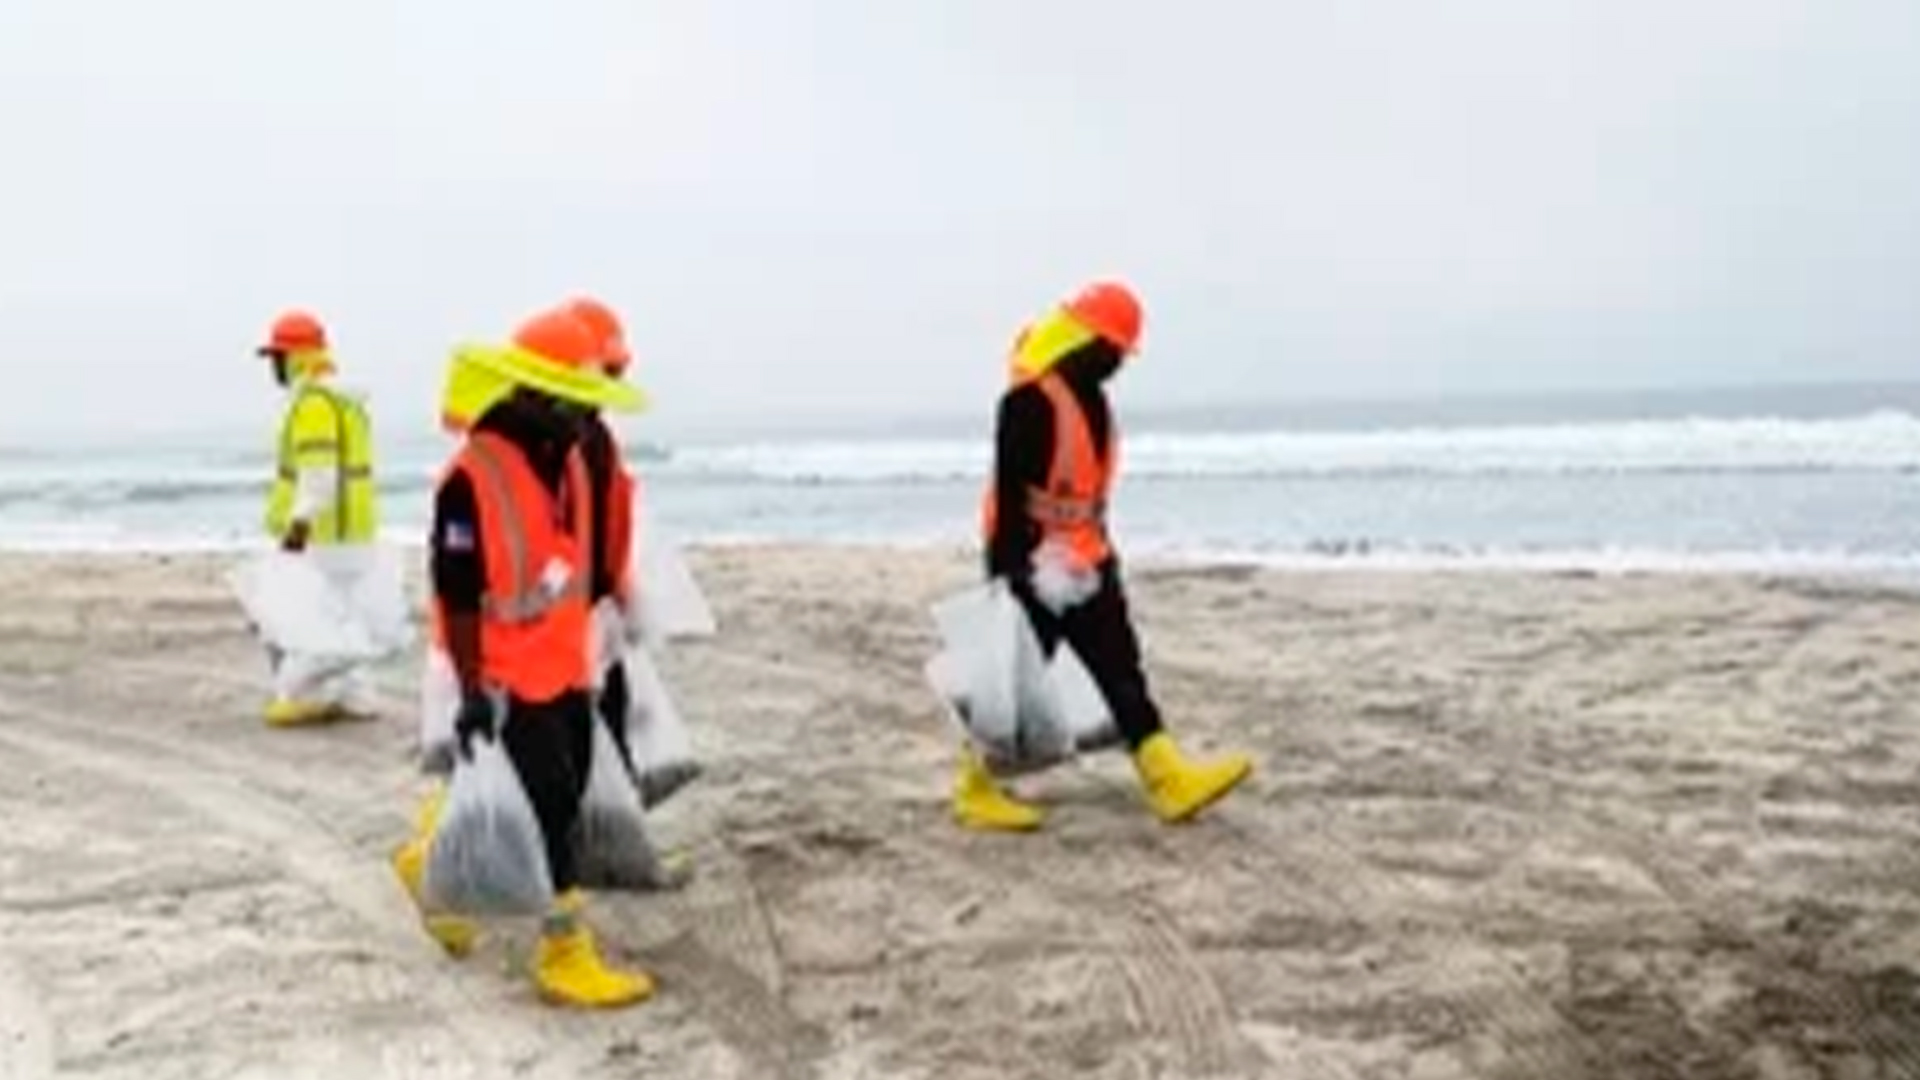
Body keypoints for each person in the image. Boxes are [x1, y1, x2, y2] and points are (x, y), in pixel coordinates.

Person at [393, 306, 653, 1008]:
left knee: (548, 791)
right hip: (506, 671)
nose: (589, 420)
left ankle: (431, 871)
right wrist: (475, 689)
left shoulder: (562, 455)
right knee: (550, 805)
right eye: (579, 405)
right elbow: (457, 590)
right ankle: (565, 954)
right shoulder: (470, 476)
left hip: (564, 662)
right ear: (539, 395)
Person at [960, 280, 1254, 831]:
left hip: (1088, 558)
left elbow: (1087, 492)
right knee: (1013, 679)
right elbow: (1008, 492)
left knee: (1121, 664)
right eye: (1116, 349)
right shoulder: (1028, 403)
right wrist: (1010, 576)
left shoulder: (1095, 403)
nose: (1120, 361)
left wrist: (1102, 559)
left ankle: (1167, 778)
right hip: (1031, 563)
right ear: (1088, 341)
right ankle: (974, 787)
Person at [255, 310, 383, 726]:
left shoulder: (313, 405)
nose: (272, 367)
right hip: (355, 529)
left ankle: (293, 691)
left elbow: (319, 477)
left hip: (324, 533)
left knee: (307, 620)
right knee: (343, 614)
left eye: (276, 357)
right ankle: (358, 697)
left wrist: (298, 526)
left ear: (294, 358)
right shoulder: (346, 402)